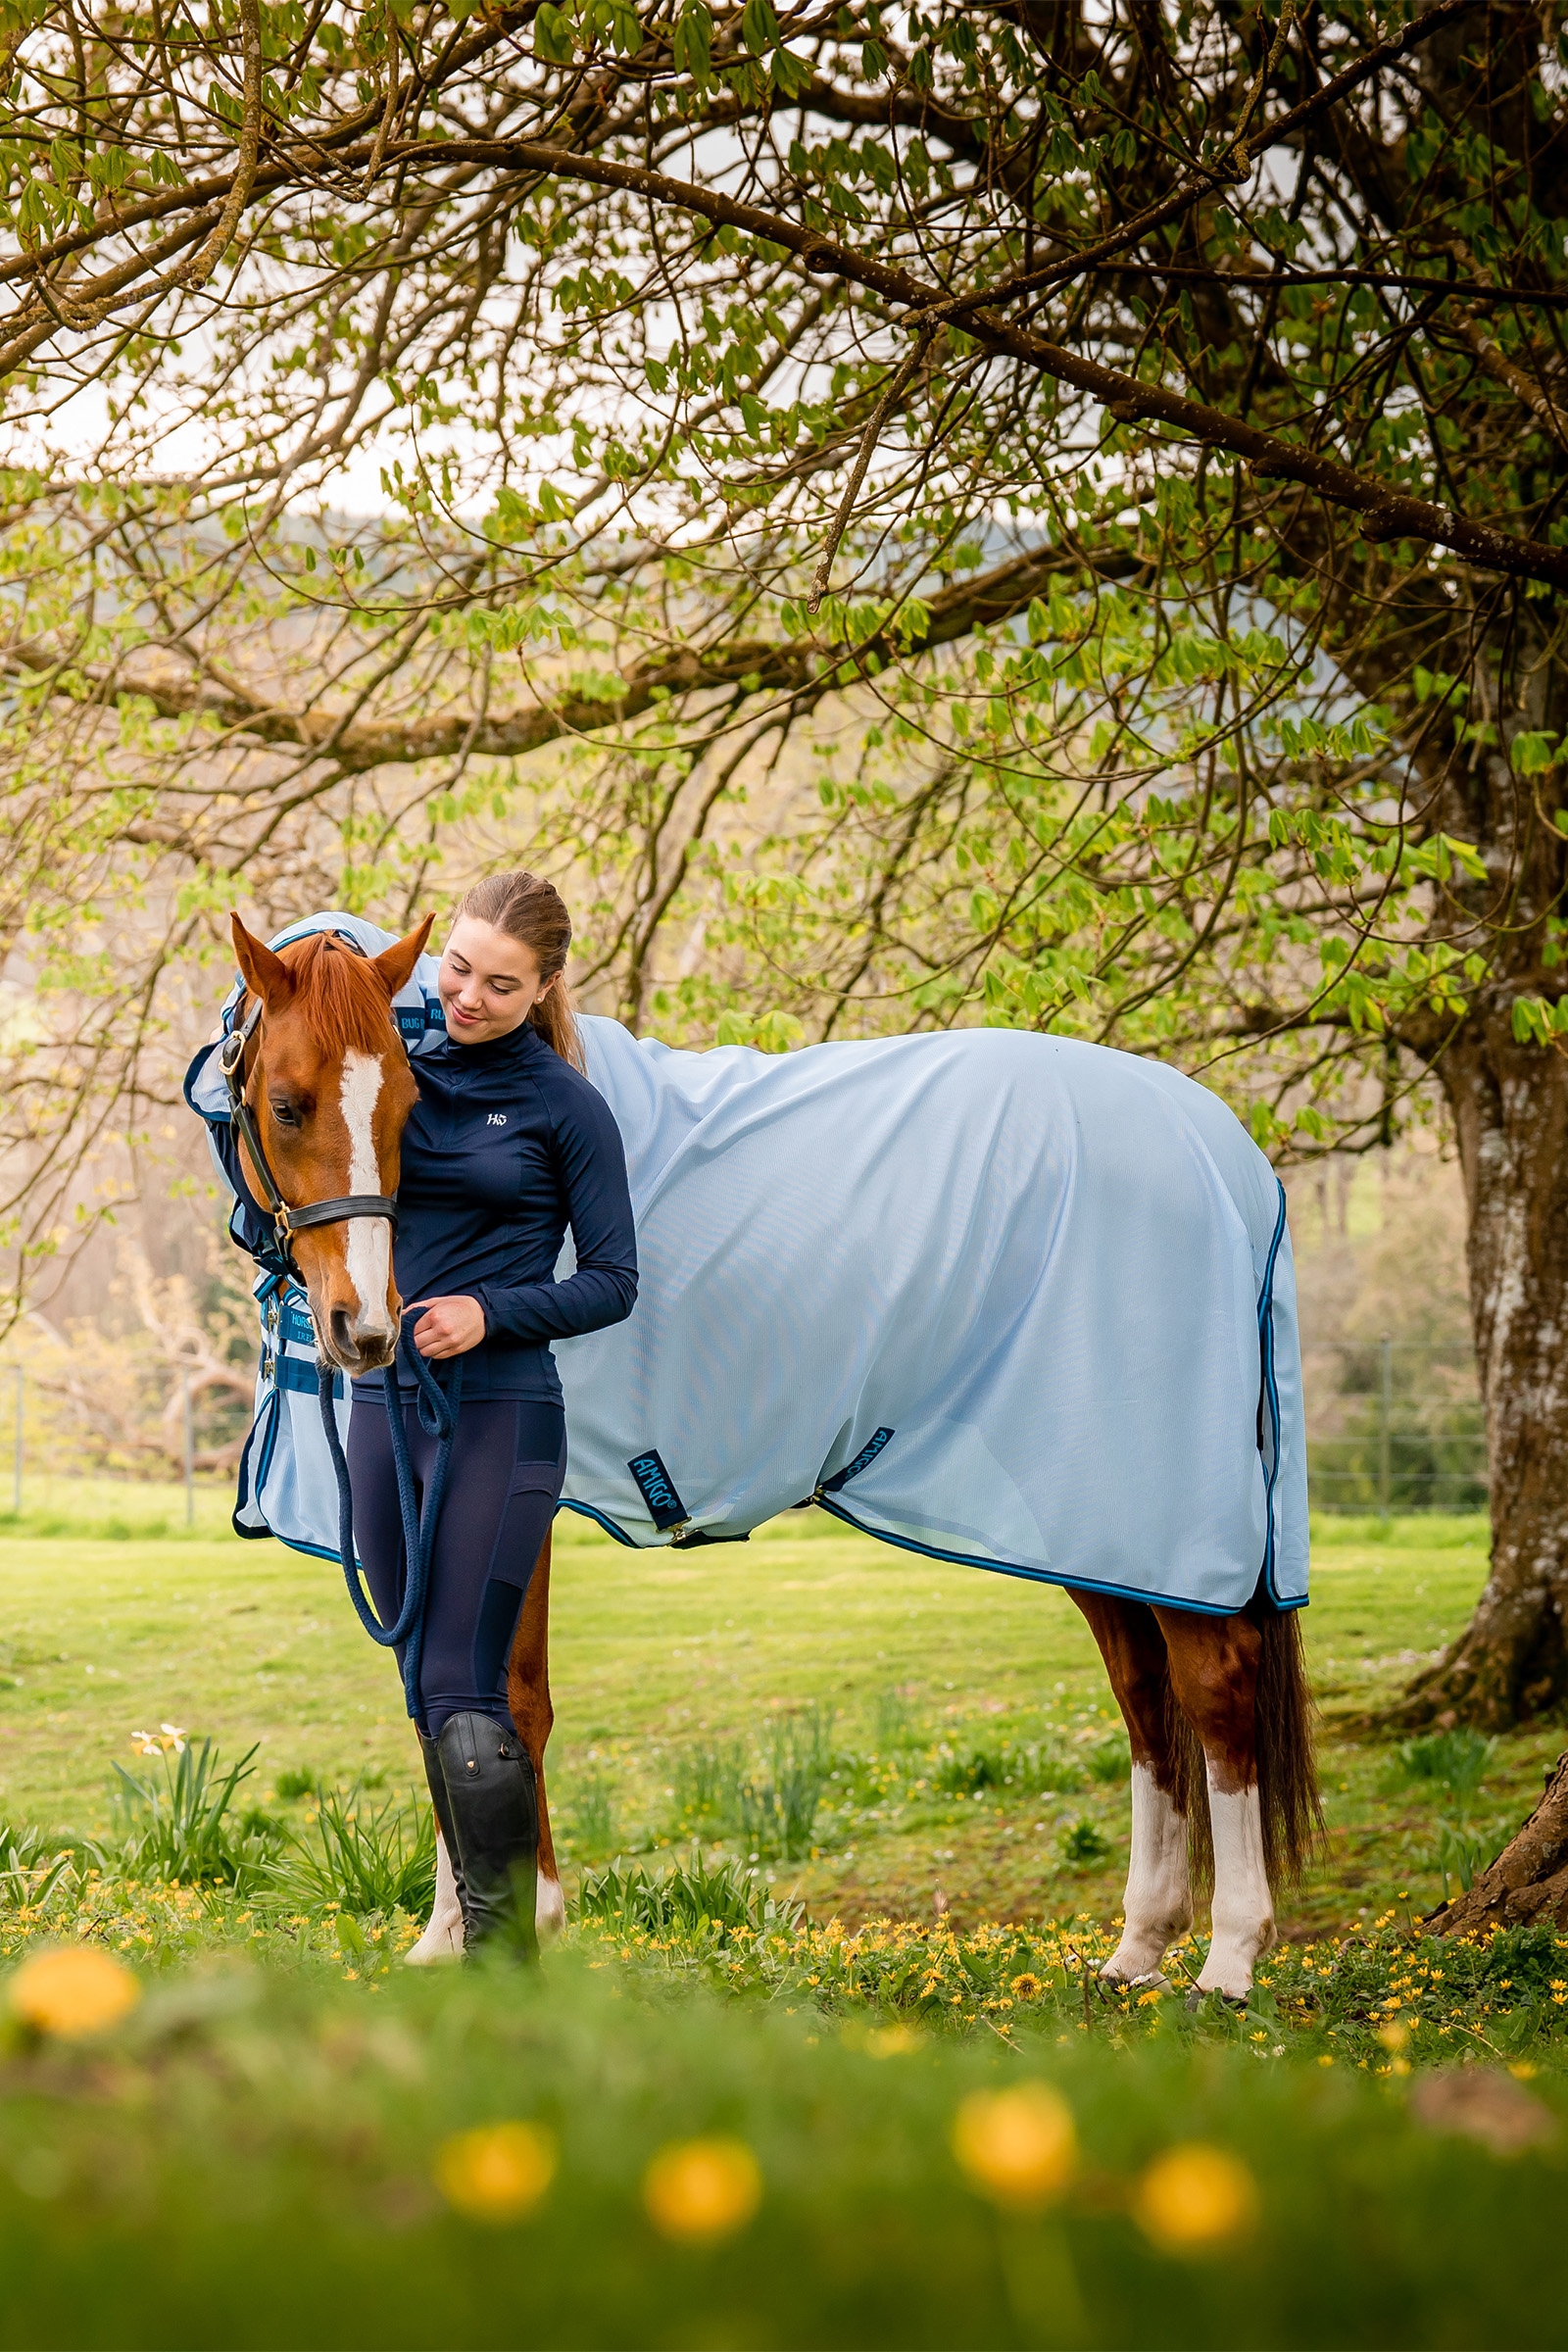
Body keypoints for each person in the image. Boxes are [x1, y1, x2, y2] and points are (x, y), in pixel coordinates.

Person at [345, 871, 637, 1955]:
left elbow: (614, 1279)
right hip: (383, 1403)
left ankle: (504, 1949)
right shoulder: (392, 1073)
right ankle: (464, 1918)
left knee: (471, 1678)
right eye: (456, 968)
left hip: (501, 1410)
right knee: (420, 1671)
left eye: (500, 984)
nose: (467, 995)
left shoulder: (567, 1107)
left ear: (545, 987)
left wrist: (490, 1310)